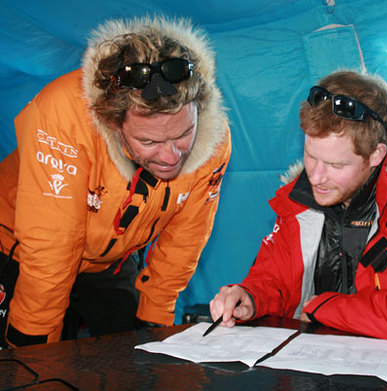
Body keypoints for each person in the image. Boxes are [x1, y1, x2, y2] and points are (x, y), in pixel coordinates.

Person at [210, 70, 387, 354]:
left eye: (336, 166)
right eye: (310, 156)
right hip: (334, 367)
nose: (316, 177)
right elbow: (273, 278)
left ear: (377, 155)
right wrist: (249, 296)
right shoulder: (299, 200)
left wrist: (323, 306)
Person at [0, 16, 231, 348]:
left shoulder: (215, 139)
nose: (170, 157)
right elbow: (50, 245)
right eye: (149, 143)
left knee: (134, 354)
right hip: (19, 251)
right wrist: (31, 350)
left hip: (110, 258)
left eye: (183, 135)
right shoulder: (62, 114)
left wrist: (154, 323)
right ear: (112, 124)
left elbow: (186, 238)